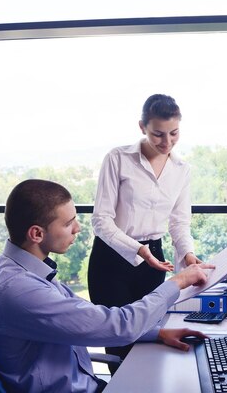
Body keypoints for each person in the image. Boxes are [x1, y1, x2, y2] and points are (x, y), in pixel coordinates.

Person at [0, 179, 214, 393]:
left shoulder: (28, 269)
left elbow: (91, 318)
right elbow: (118, 326)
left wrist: (158, 334)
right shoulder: (19, 290)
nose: (78, 229)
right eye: (69, 223)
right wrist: (178, 281)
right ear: (36, 233)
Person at [88, 93, 201, 365]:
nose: (167, 142)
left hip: (154, 262)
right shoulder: (118, 159)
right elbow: (101, 220)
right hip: (112, 260)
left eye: (174, 133)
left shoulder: (181, 169)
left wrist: (188, 255)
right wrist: (138, 249)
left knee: (153, 343)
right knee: (120, 343)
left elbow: (179, 223)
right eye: (158, 134)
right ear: (142, 127)